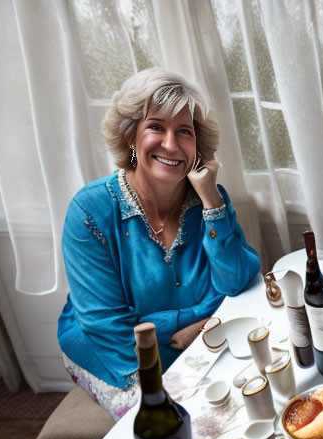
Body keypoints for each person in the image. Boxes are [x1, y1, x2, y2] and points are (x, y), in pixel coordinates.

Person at [57, 68, 260, 419]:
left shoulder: (208, 198)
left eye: (184, 132)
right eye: (156, 127)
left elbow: (236, 280)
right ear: (131, 137)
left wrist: (212, 201)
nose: (171, 144)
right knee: (175, 424)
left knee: (257, 395)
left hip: (195, 340)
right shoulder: (89, 212)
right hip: (114, 353)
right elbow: (107, 326)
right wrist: (185, 335)